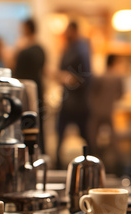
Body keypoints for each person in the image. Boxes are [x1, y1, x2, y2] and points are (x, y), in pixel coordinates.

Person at [55, 21, 92, 169]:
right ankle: (59, 167)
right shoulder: (68, 48)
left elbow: (87, 78)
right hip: (67, 100)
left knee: (85, 136)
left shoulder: (82, 49)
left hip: (79, 102)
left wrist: (70, 79)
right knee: (60, 134)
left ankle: (89, 165)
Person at [13, 18, 47, 153]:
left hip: (25, 91)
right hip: (37, 89)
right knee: (37, 124)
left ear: (27, 28)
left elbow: (15, 68)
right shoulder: (40, 49)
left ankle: (27, 155)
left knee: (25, 126)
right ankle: (38, 153)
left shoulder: (24, 48)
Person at [88, 54, 124, 159]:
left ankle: (94, 156)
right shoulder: (117, 78)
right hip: (109, 110)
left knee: (93, 136)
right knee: (113, 137)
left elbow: (92, 93)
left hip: (97, 110)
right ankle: (117, 160)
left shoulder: (99, 77)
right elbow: (120, 95)